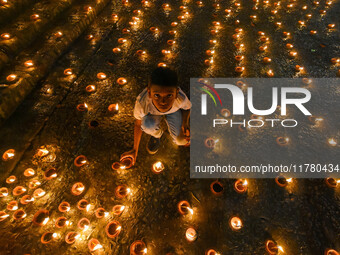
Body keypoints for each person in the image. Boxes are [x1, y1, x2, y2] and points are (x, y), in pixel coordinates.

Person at [120, 67, 191, 165]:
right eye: (157, 95)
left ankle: (168, 121)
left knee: (182, 141)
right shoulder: (142, 103)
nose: (163, 102)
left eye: (169, 95)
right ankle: (156, 135)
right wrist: (135, 149)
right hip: (152, 114)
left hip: (174, 111)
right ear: (149, 93)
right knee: (147, 124)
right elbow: (138, 124)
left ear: (176, 93)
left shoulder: (180, 99)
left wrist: (185, 124)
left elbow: (187, 108)